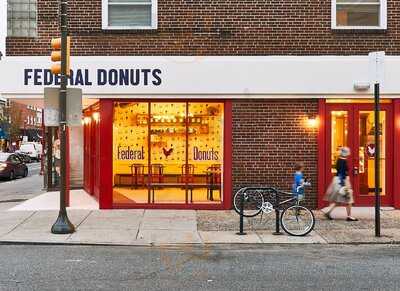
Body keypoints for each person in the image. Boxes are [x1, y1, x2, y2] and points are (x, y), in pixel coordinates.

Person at [324, 147, 358, 221]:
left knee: (339, 200)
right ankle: (349, 216)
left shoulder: (339, 160)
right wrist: (345, 185)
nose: (349, 153)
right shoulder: (343, 161)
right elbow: (342, 173)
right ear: (346, 153)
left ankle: (328, 212)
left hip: (337, 180)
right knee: (348, 198)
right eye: (348, 151)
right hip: (342, 181)